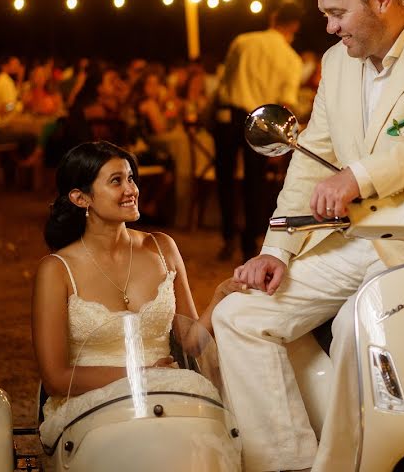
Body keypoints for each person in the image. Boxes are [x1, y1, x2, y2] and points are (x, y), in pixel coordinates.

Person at [211, 0, 404, 472]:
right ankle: (290, 460)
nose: (330, 27)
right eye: (325, 14)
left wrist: (361, 175)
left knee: (350, 332)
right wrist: (276, 251)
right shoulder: (338, 61)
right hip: (347, 243)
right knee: (239, 315)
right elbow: (311, 158)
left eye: (338, 12)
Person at [32, 141, 245, 466]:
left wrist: (220, 297)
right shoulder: (57, 269)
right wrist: (138, 374)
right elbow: (56, 377)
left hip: (172, 392)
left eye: (131, 178)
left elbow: (189, 341)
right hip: (91, 401)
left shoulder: (162, 247)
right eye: (116, 181)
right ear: (80, 197)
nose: (131, 189)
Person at [213, 1, 304, 260]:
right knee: (256, 182)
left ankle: (228, 236)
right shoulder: (291, 59)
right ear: (294, 26)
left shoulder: (243, 41)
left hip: (230, 115)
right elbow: (286, 101)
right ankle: (250, 241)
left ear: (273, 17)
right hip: (261, 121)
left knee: (225, 180)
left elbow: (225, 81)